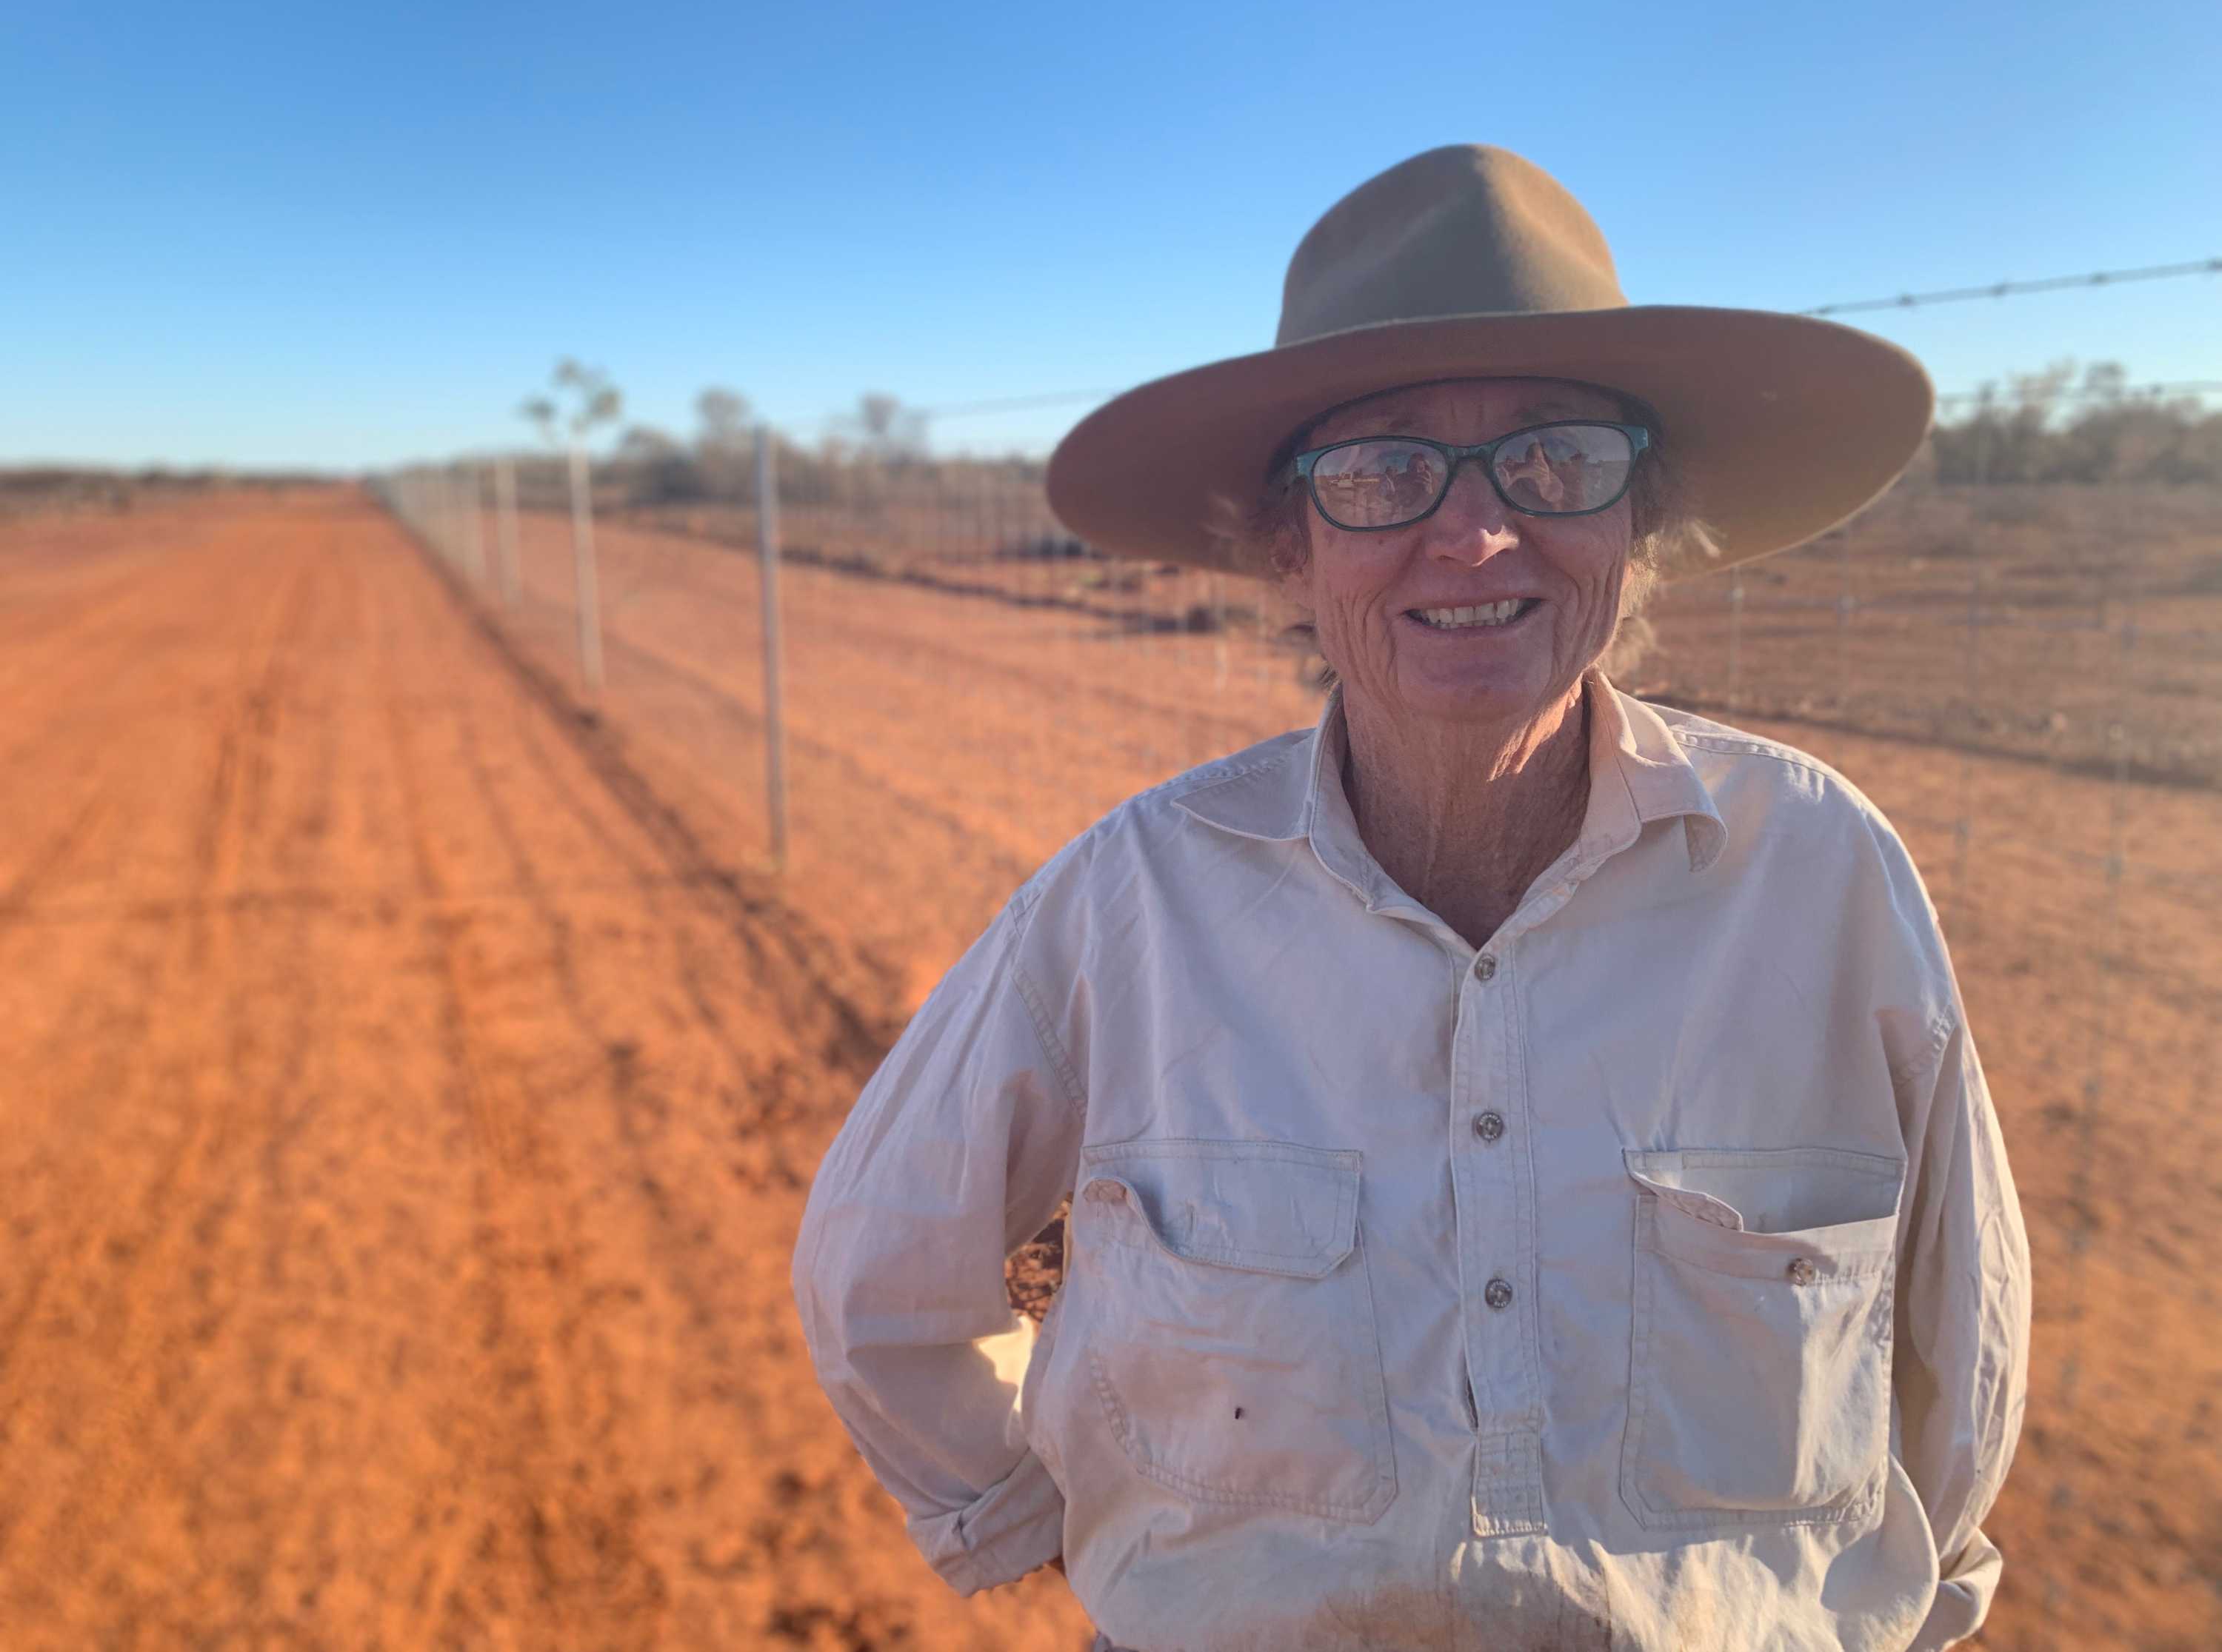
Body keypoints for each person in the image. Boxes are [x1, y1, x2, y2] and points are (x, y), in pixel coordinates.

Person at [793, 144, 2029, 1652]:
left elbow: (1959, 1326)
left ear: (1639, 520)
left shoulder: (1821, 871)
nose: (1480, 532)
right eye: (1383, 471)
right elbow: (878, 1268)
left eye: (1556, 459)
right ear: (1288, 550)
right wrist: (1080, 1546)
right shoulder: (1137, 897)